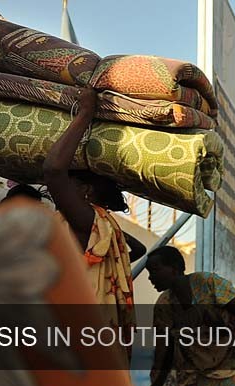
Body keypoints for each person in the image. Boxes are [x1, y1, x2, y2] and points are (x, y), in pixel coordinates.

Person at [42, 88, 144, 360]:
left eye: (71, 182)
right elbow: (137, 248)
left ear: (86, 190)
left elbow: (52, 170)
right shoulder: (104, 227)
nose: (61, 190)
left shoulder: (86, 220)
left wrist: (85, 114)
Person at [145, 246, 235, 386]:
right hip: (198, 374)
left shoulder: (208, 283)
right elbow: (165, 352)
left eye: (155, 270)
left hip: (234, 367)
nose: (150, 277)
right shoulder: (164, 306)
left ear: (175, 268)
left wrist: (228, 329)